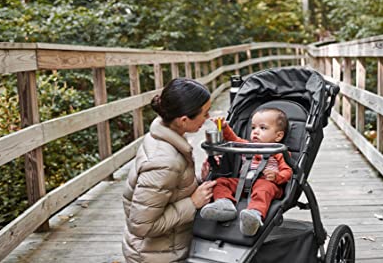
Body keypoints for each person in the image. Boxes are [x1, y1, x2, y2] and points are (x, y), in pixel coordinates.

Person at [122, 78, 217, 263]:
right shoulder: (164, 161)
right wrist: (193, 203)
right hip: (155, 257)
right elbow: (141, 226)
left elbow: (168, 189)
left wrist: (199, 179)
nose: (209, 118)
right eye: (205, 114)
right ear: (183, 120)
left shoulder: (166, 137)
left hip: (165, 249)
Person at [200, 108, 292, 236]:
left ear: (278, 136)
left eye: (263, 128)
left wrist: (277, 177)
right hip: (243, 182)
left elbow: (288, 171)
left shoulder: (279, 151)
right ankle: (224, 205)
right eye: (253, 128)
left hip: (267, 183)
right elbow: (233, 139)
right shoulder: (247, 145)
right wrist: (224, 127)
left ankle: (253, 215)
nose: (255, 132)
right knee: (220, 182)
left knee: (263, 189)